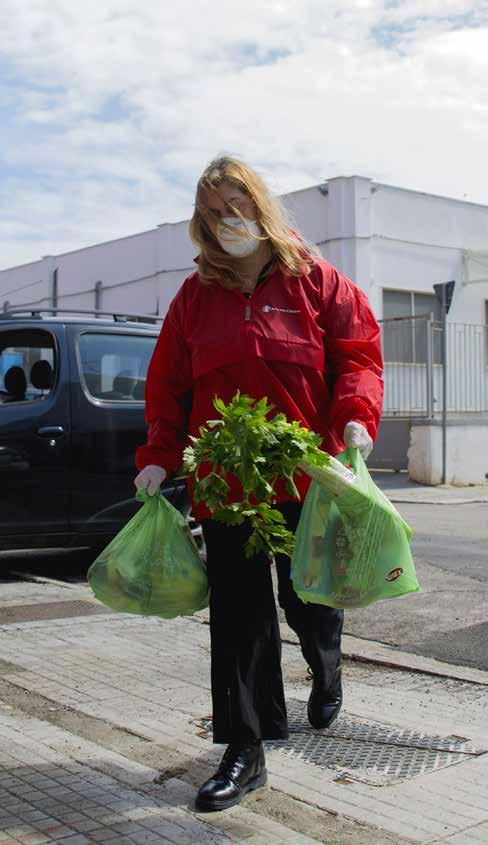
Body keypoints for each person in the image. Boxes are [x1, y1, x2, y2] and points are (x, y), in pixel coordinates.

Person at [134, 156, 383, 811]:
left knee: (306, 600)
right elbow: (169, 385)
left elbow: (358, 353)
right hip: (226, 480)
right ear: (201, 222)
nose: (227, 222)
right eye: (213, 212)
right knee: (241, 618)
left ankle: (326, 660)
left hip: (305, 472)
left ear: (260, 207)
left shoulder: (315, 281)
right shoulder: (195, 299)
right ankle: (246, 748)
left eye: (236, 206)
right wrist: (160, 452)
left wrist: (356, 416)